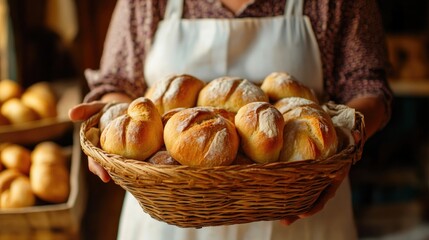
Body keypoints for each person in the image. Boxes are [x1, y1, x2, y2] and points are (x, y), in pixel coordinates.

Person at [69, 0, 393, 239]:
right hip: (167, 219)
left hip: (300, 213)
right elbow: (116, 84)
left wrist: (345, 145)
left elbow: (368, 88)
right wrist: (112, 123)